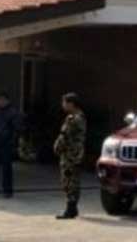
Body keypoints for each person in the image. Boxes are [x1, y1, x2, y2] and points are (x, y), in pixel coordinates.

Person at [53, 92, 86, 220]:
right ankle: (73, 208)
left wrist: (56, 148)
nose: (63, 105)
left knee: (68, 181)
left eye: (64, 102)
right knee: (74, 180)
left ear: (71, 104)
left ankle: (70, 209)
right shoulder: (81, 116)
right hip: (77, 154)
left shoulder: (72, 119)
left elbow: (64, 136)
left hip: (69, 155)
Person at [0, 91, 23, 197]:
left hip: (6, 144)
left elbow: (18, 129)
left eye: (3, 100)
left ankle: (7, 190)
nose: (1, 102)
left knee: (6, 168)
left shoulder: (13, 113)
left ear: (7, 100)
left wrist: (12, 142)